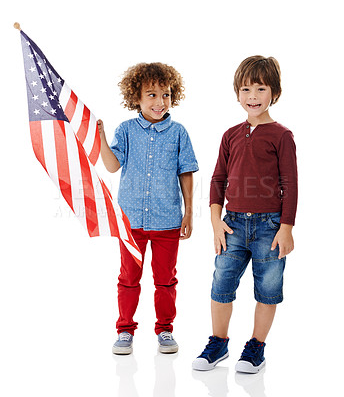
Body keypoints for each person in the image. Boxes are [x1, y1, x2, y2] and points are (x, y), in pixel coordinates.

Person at [192, 56, 297, 373]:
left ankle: (255, 348)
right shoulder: (231, 135)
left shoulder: (281, 136)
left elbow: (290, 184)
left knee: (268, 287)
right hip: (232, 224)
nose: (253, 96)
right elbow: (217, 180)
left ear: (273, 93)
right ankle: (218, 342)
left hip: (269, 226)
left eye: (261, 88)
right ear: (237, 93)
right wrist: (215, 222)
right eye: (246, 88)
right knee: (221, 283)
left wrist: (286, 228)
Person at [98, 62, 198, 355]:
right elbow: (113, 165)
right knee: (128, 278)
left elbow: (186, 172)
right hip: (132, 221)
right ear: (136, 98)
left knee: (165, 279)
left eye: (165, 95)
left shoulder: (178, 132)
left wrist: (189, 212)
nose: (159, 102)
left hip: (167, 220)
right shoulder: (127, 130)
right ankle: (125, 330)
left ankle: (165, 329)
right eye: (151, 95)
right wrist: (101, 138)